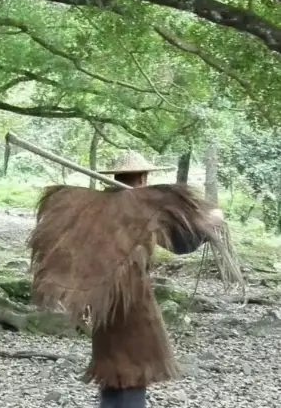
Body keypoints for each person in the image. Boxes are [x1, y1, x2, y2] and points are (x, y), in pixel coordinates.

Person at [28, 151, 226, 408]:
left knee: (115, 372)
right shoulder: (140, 207)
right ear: (143, 177)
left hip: (103, 300)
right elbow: (182, 242)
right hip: (132, 302)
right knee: (130, 371)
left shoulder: (96, 207)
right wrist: (212, 222)